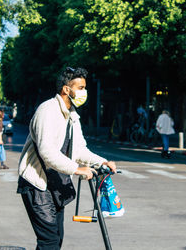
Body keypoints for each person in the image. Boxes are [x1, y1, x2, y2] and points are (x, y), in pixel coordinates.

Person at [17, 66, 117, 249]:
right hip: (37, 184)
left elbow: (79, 150)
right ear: (66, 89)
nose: (84, 92)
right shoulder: (47, 111)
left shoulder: (72, 116)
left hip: (55, 184)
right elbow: (47, 151)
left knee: (57, 238)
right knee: (49, 240)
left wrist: (101, 161)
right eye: (80, 88)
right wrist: (77, 169)